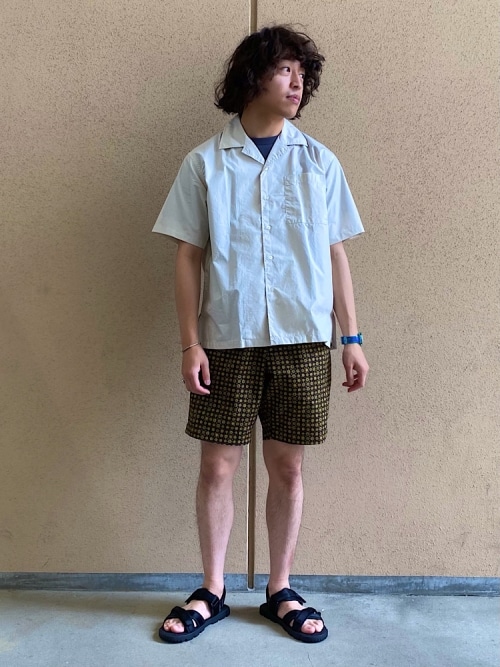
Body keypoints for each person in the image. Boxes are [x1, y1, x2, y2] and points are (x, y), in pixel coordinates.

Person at [152, 25, 369, 644]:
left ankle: (280, 589)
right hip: (226, 339)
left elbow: (335, 253)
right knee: (217, 467)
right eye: (284, 70)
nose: (297, 83)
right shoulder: (204, 162)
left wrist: (351, 339)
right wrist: (190, 342)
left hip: (303, 339)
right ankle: (212, 589)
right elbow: (188, 256)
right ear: (252, 77)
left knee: (288, 468)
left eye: (303, 73)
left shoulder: (319, 162)